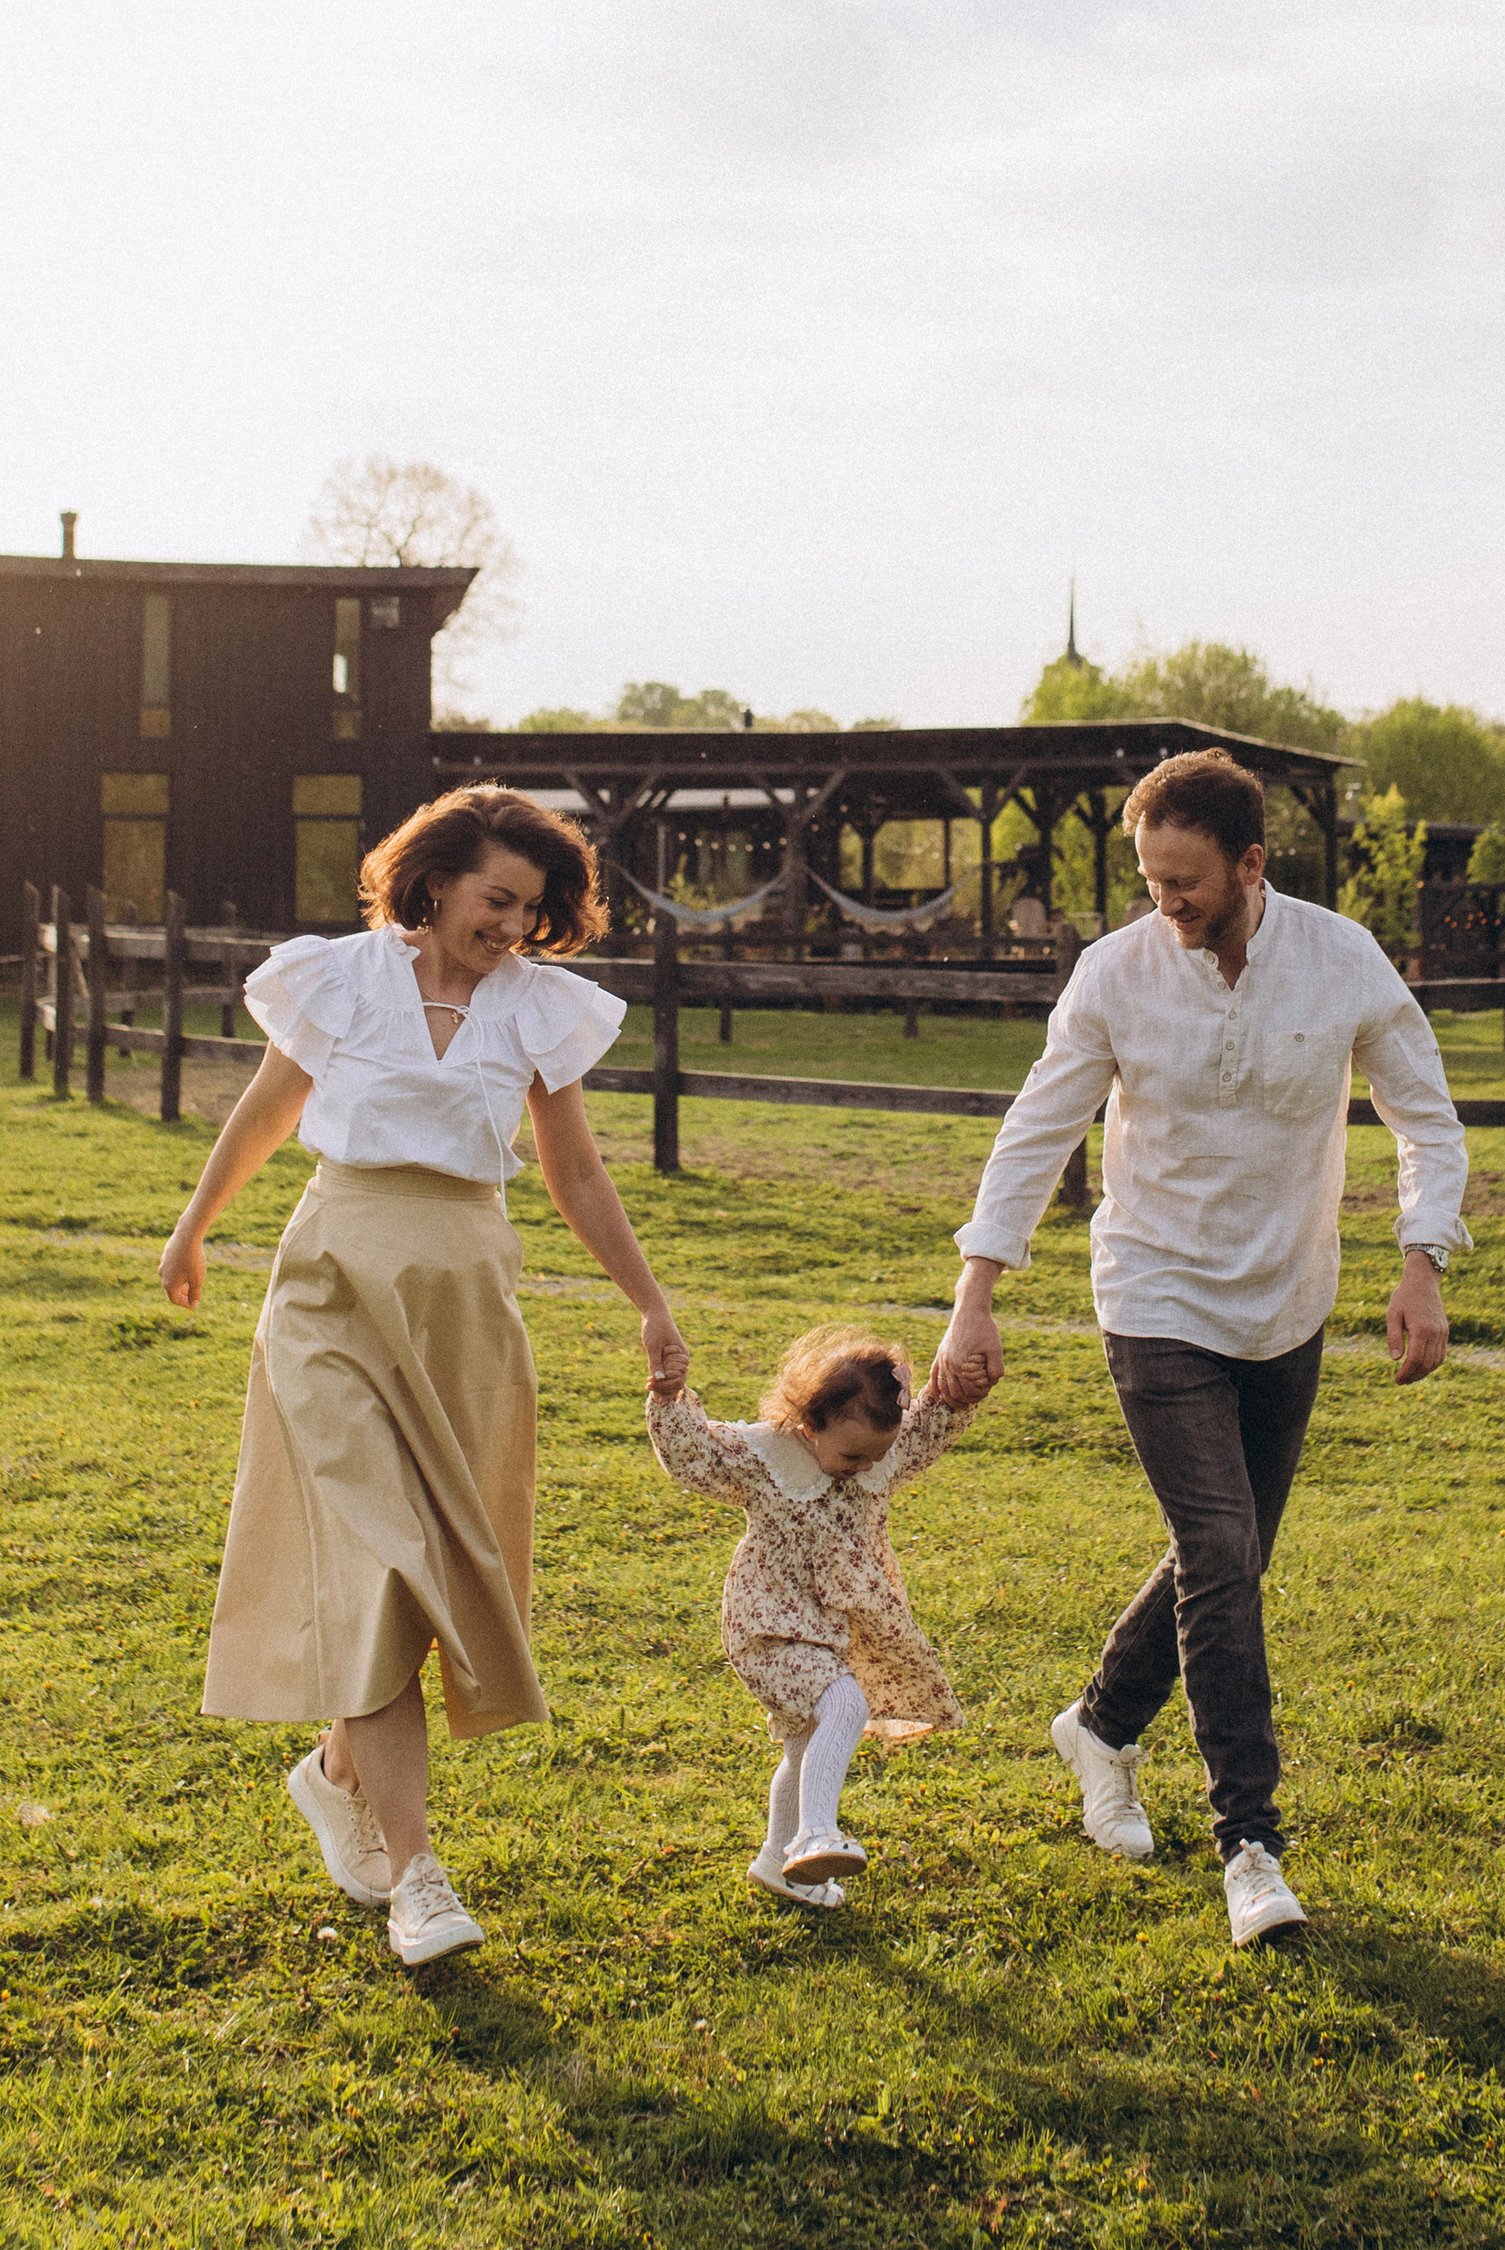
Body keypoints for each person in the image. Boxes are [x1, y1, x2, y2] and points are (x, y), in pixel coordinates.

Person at [928, 748, 1468, 1950]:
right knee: (1219, 1550)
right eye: (1148, 881)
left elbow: (1423, 1117)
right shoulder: (1114, 975)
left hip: (1286, 1300)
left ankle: (1101, 1724)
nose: (1162, 904)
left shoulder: (1340, 962)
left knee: (1230, 1555)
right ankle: (1251, 1847)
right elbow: (1036, 1131)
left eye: (1182, 883)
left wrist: (1421, 1260)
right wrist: (977, 1294)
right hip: (1153, 1290)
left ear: (1249, 865)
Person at [162, 784, 690, 1969]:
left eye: (531, 907)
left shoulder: (538, 1012)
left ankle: (338, 1769)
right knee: (376, 1561)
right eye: (495, 899)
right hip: (332, 1291)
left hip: (464, 1301)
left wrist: (649, 1303)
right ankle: (418, 1877)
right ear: (435, 881)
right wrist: (195, 1227)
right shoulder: (338, 979)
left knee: (436, 1568)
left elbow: (579, 1178)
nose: (511, 924)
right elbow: (263, 1110)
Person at [647, 1323, 980, 1908]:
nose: (863, 1466)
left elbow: (925, 1433)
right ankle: (815, 1834)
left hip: (825, 1632)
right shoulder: (766, 1457)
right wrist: (669, 1395)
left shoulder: (875, 1456)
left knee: (805, 1744)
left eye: (875, 1454)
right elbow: (693, 1455)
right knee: (846, 1705)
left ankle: (777, 1863)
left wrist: (958, 1392)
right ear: (809, 1424)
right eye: (851, 1453)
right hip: (766, 1626)